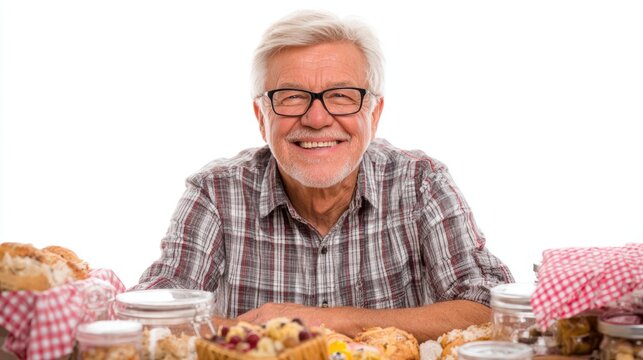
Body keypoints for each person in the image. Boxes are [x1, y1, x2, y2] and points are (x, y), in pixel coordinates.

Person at [134, 10, 513, 342]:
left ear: (374, 114)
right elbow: (152, 312)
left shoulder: (421, 182)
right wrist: (258, 340)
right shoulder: (215, 192)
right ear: (260, 117)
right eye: (292, 96)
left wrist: (325, 321)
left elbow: (492, 307)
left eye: (342, 96)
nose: (317, 119)